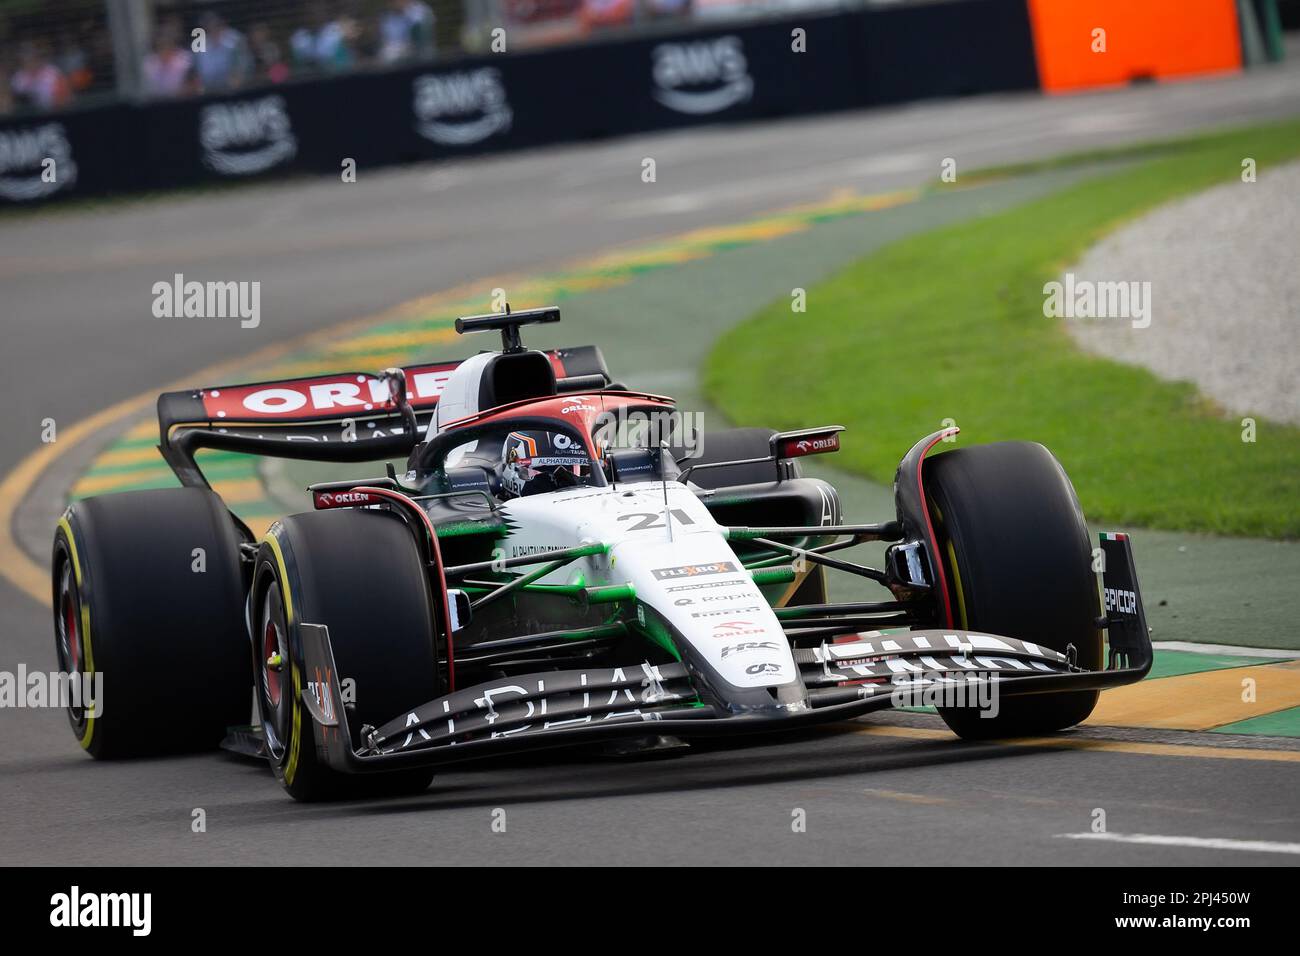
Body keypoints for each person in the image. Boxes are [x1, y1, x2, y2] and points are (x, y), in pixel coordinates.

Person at [193, 12, 253, 93]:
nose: (212, 27)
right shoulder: (199, 44)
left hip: (235, 90)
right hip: (209, 91)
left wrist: (237, 79)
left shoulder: (235, 39)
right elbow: (198, 75)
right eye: (207, 24)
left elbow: (244, 67)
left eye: (215, 24)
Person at [10, 40, 71, 111]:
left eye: (32, 57)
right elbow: (15, 102)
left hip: (54, 111)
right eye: (26, 58)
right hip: (28, 115)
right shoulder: (17, 78)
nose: (30, 61)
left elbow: (65, 95)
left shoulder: (52, 71)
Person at [141, 19, 195, 97]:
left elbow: (192, 86)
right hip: (157, 104)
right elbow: (149, 90)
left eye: (167, 42)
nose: (165, 47)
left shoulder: (186, 59)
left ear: (173, 43)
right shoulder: (149, 63)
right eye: (161, 44)